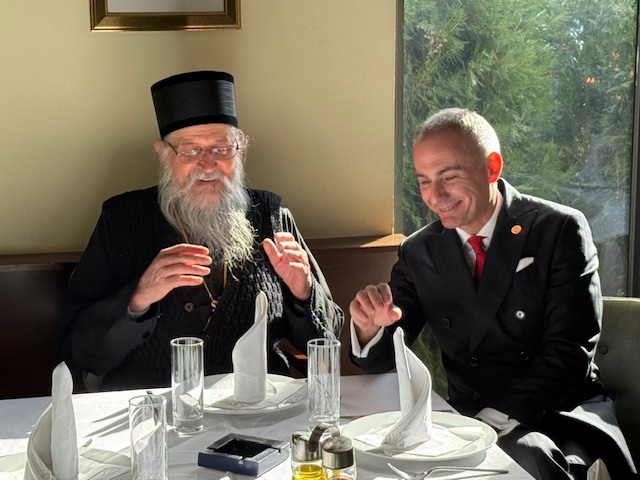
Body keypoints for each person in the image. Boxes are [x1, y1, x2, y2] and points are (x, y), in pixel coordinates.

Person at [349, 108, 637, 479]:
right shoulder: (419, 251)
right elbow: (378, 359)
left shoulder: (559, 228)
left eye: (449, 177)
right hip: (469, 417)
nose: (436, 195)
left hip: (559, 412)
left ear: (492, 167)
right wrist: (370, 328)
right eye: (424, 181)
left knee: (526, 456)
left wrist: (490, 422)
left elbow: (570, 351)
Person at [59, 70, 343, 392]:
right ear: (164, 155)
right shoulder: (120, 219)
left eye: (221, 149)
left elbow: (327, 342)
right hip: (152, 410)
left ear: (240, 149)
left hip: (257, 410)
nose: (208, 165)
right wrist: (138, 298)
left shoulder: (271, 215)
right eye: (191, 150)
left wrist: (303, 293)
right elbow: (79, 351)